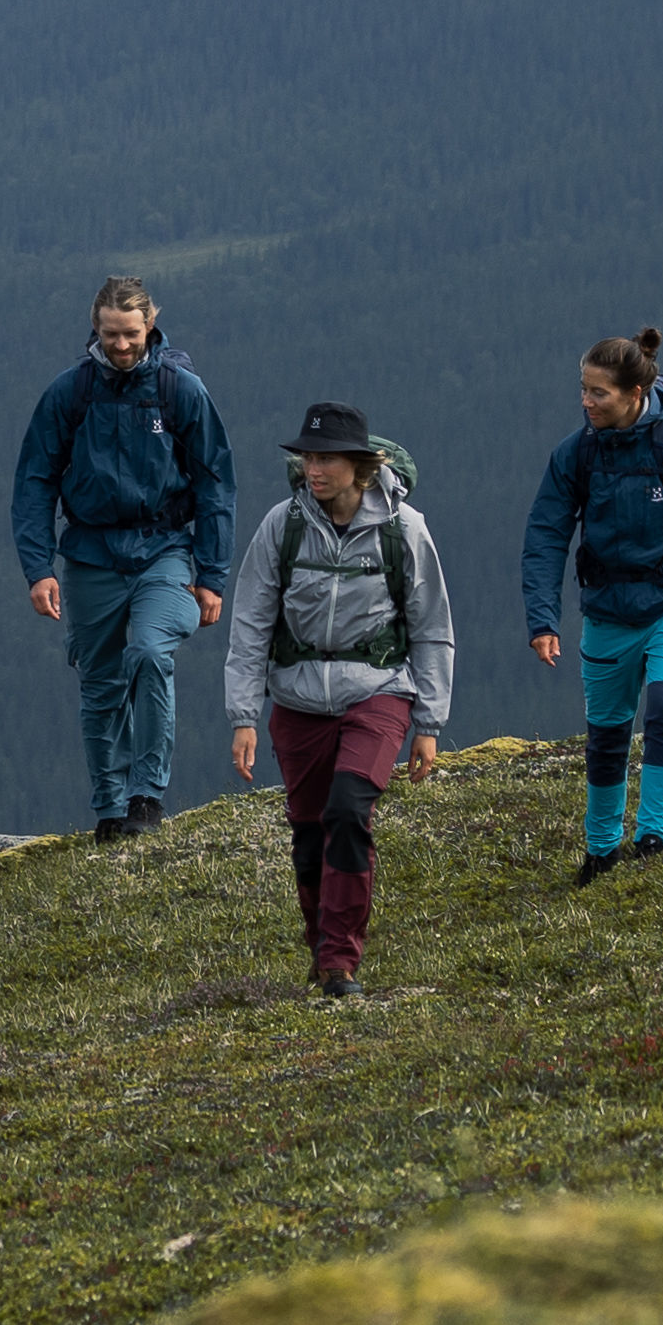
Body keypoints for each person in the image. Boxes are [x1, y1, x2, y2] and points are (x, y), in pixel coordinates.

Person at [224, 401, 449, 1000]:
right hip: (296, 700)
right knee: (308, 831)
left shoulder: (405, 530)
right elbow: (249, 623)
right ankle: (322, 941)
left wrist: (428, 721)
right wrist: (244, 716)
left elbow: (431, 627)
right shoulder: (283, 524)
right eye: (307, 456)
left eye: (325, 457)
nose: (312, 468)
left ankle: (339, 963)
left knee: (349, 809)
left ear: (362, 466)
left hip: (379, 691)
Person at [518, 324, 663, 881]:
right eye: (583, 388)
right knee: (607, 734)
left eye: (598, 392)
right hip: (605, 614)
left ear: (633, 395)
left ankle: (654, 840)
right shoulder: (575, 454)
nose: (585, 401)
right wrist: (542, 619)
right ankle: (601, 851)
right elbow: (545, 535)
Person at [8, 276, 236, 840]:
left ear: (150, 326)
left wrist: (211, 575)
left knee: (150, 654)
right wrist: (37, 569)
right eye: (111, 333)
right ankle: (110, 811)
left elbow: (215, 483)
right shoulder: (70, 392)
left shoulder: (181, 390)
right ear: (96, 328)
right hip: (89, 553)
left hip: (164, 548)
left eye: (132, 333)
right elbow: (34, 480)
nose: (122, 345)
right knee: (101, 682)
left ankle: (146, 796)